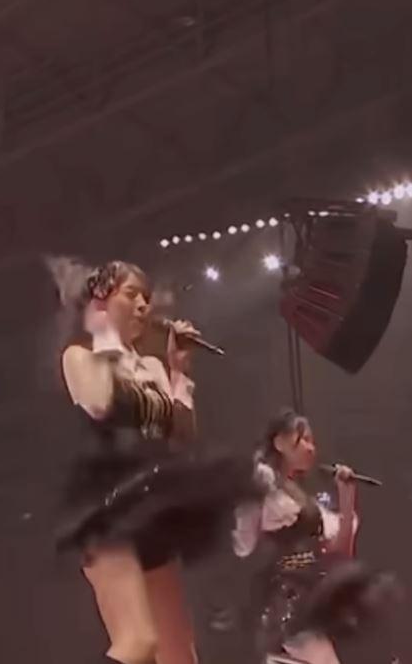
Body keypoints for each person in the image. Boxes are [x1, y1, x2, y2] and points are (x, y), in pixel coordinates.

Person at [52, 258, 254, 664]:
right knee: (139, 643)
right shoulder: (80, 357)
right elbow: (100, 403)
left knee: (180, 655)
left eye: (146, 298)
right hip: (107, 510)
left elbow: (180, 436)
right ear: (101, 300)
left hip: (150, 509)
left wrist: (179, 371)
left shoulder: (151, 368)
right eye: (131, 295)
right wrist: (104, 333)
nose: (144, 306)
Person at [232, 410, 398, 664]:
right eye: (305, 439)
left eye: (313, 442)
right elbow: (243, 545)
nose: (312, 448)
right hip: (286, 605)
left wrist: (346, 495)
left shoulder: (299, 498)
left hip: (308, 605)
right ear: (280, 442)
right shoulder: (265, 483)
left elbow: (341, 553)